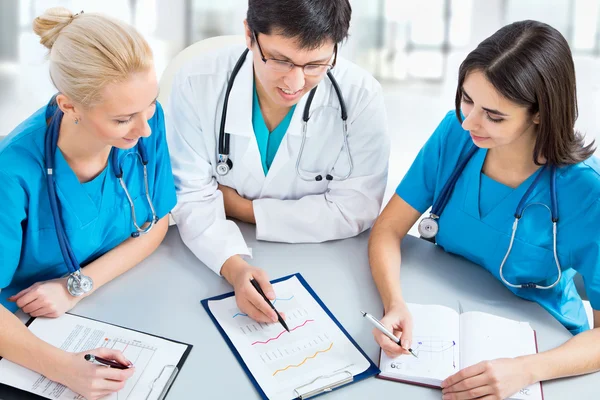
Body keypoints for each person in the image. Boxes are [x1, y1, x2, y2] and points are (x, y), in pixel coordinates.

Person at [368, 20, 600, 399]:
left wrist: (524, 370)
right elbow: (387, 229)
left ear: (540, 113)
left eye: (494, 115)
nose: (470, 122)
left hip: (544, 350)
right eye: (467, 99)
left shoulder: (587, 193)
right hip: (443, 318)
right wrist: (394, 303)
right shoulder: (456, 134)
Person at [166, 0, 389, 323]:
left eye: (315, 64)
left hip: (326, 261)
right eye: (280, 60)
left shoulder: (360, 96)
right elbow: (190, 195)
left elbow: (356, 208)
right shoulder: (198, 81)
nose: (294, 83)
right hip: (210, 256)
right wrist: (234, 265)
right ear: (248, 33)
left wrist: (242, 208)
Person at [0, 7, 176, 399]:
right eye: (123, 118)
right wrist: (63, 367)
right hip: (23, 331)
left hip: (104, 306)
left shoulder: (145, 122)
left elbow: (158, 220)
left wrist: (75, 287)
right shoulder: (12, 171)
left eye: (150, 104)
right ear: (69, 106)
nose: (145, 127)